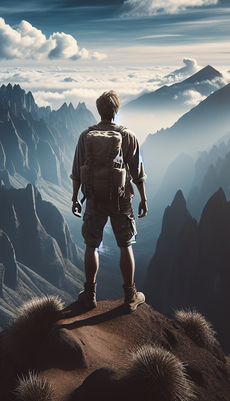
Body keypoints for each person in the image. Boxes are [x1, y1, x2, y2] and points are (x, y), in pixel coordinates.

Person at [71, 90, 148, 312]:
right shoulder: (129, 136)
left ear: (99, 110)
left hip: (93, 199)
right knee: (125, 245)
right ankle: (130, 295)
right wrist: (143, 199)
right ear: (116, 110)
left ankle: (89, 294)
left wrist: (75, 198)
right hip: (121, 200)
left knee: (91, 245)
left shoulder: (86, 136)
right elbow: (138, 173)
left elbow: (77, 171)